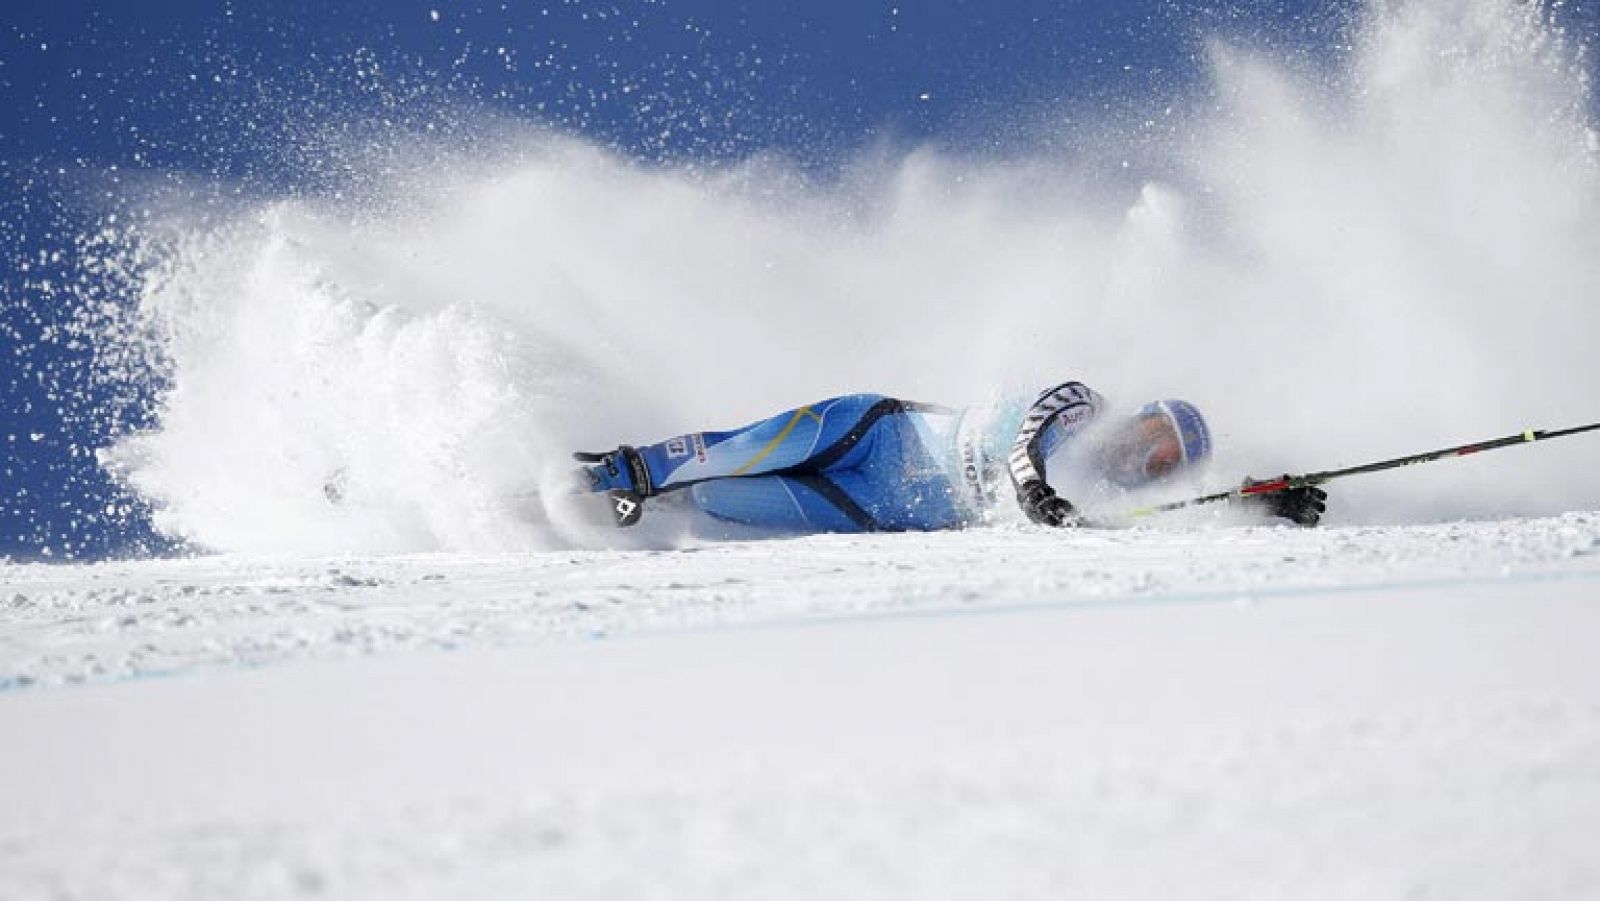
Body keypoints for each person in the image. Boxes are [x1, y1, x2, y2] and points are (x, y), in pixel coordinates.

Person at [574, 380, 1326, 531]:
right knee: (736, 454)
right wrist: (1032, 490)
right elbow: (1032, 438)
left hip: (877, 509)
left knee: (717, 500)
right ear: (1143, 417)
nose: (1155, 458)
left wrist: (1260, 500)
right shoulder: (1085, 406)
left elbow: (1174, 527)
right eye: (1161, 435)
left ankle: (635, 502)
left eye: (1171, 462)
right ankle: (623, 468)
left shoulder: (1103, 496)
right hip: (876, 431)